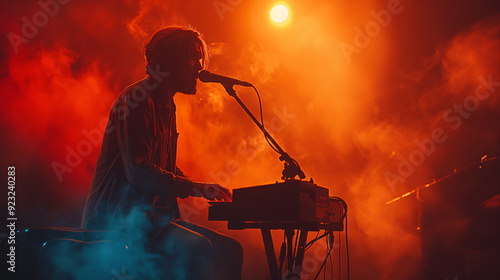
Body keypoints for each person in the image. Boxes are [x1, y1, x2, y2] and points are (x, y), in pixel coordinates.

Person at [81, 26, 243, 280]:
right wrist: (193, 187)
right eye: (193, 57)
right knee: (198, 248)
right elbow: (139, 170)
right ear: (169, 60)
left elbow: (162, 166)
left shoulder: (168, 106)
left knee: (230, 250)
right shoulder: (137, 99)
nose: (199, 66)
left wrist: (198, 187)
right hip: (118, 222)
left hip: (153, 220)